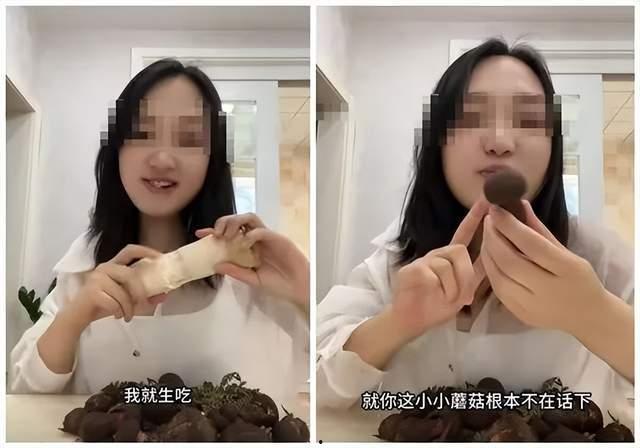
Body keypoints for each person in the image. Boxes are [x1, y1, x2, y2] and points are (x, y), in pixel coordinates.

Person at [317, 39, 634, 423]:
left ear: (554, 147)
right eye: (470, 118)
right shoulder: (394, 261)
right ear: (438, 141)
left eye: (529, 121)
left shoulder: (603, 261)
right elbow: (317, 384)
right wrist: (398, 322)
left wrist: (593, 315)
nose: (499, 142)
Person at [11, 59, 309, 406]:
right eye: (142, 134)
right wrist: (75, 316)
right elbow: (24, 393)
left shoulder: (251, 273)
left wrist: (302, 291)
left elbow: (325, 381)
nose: (163, 159)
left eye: (189, 139)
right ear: (117, 148)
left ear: (212, 159)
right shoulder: (82, 267)